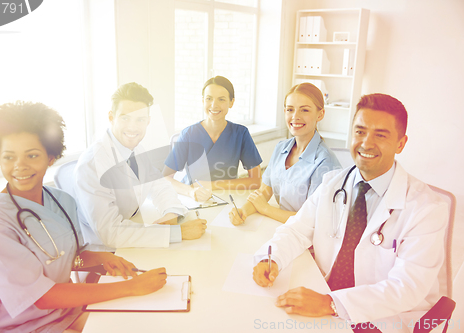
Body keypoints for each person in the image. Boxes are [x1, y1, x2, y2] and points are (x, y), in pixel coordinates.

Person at [252, 94, 448, 333]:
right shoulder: (332, 184)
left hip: (386, 317)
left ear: (400, 143)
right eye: (360, 131)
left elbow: (406, 287)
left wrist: (331, 303)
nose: (366, 143)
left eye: (381, 135)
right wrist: (271, 257)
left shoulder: (427, 208)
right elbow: (296, 230)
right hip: (326, 298)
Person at [0, 101, 167, 333]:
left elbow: (70, 257)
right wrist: (133, 287)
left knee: (144, 322)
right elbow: (41, 297)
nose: (19, 166)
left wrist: (101, 258)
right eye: (8, 157)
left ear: (51, 158)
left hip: (67, 312)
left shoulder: (61, 200)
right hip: (18, 326)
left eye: (32, 155)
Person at [74, 82, 207, 251]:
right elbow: (110, 233)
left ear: (148, 121)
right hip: (106, 253)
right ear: (111, 117)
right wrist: (176, 233)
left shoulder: (136, 149)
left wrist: (171, 212)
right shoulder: (92, 164)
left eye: (140, 119)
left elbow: (158, 184)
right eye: (125, 117)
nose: (133, 127)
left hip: (134, 234)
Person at [230, 83, 341, 224]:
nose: (295, 117)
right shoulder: (281, 148)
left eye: (304, 110)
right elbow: (264, 192)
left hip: (306, 239)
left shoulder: (326, 163)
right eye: (290, 110)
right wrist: (243, 211)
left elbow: (312, 220)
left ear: (320, 114)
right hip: (279, 225)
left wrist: (266, 209)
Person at [163, 76, 263, 202]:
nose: (214, 105)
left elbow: (255, 181)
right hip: (192, 199)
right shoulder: (188, 134)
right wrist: (190, 191)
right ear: (203, 101)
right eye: (209, 98)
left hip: (227, 197)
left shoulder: (241, 134)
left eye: (221, 99)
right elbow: (165, 178)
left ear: (231, 102)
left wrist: (213, 185)